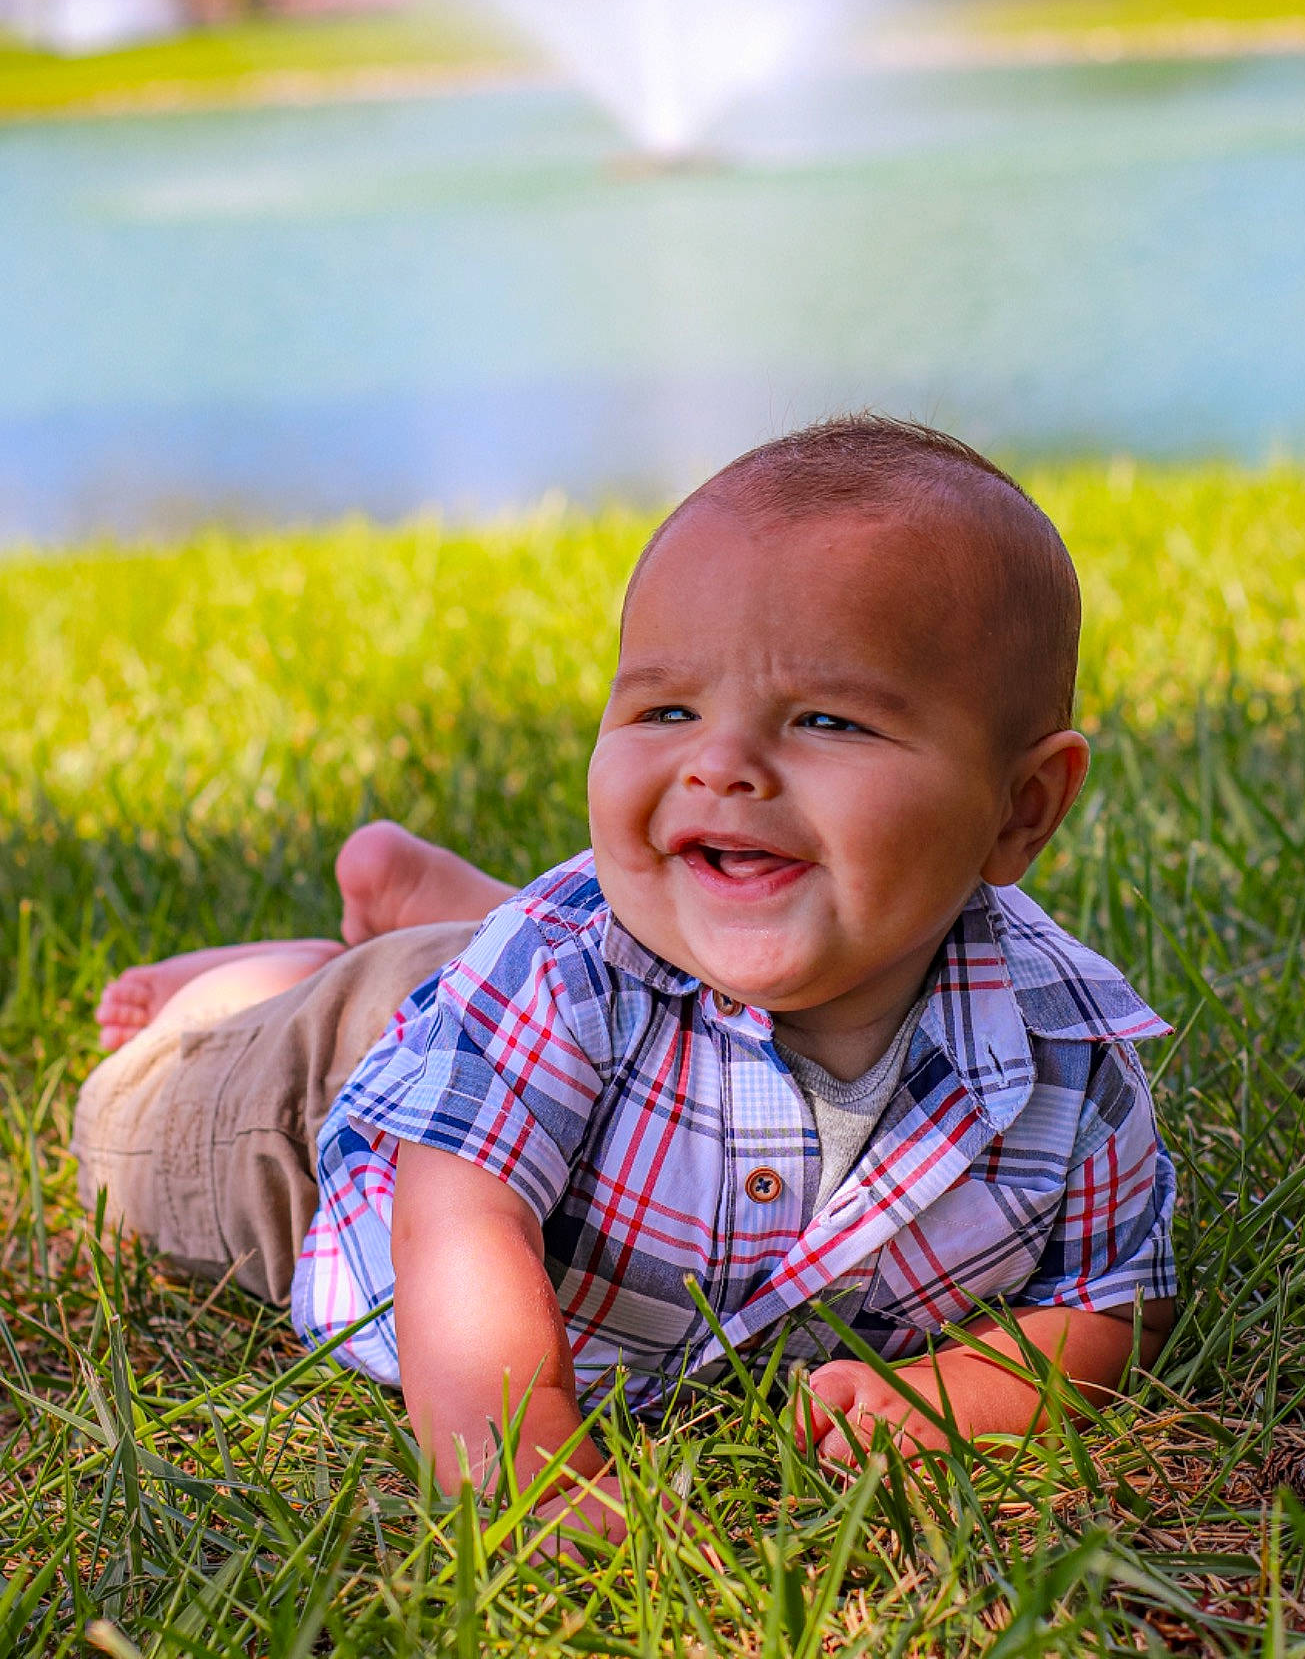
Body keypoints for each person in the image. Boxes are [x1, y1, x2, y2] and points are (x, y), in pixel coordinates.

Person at [73, 415, 1176, 1542]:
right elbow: (459, 1215)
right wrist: (525, 1455)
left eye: (828, 718)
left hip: (521, 1001)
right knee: (126, 1129)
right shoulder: (561, 970)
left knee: (504, 965)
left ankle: (442, 921)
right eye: (667, 710)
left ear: (1022, 806)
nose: (722, 762)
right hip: (320, 1105)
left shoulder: (1067, 1048)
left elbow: (1110, 1298)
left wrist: (963, 1392)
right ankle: (257, 985)